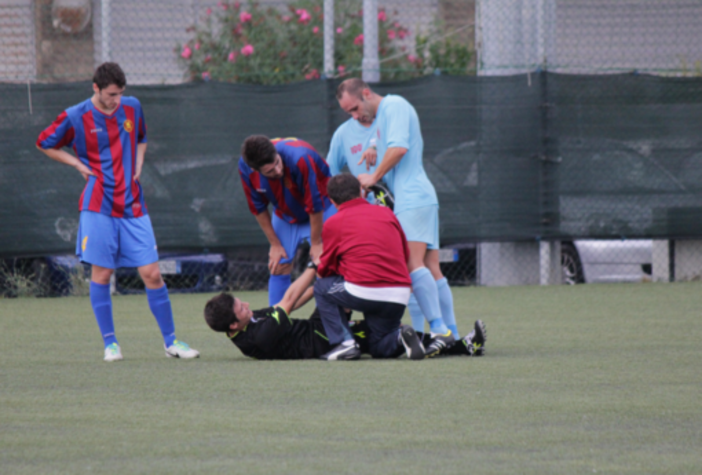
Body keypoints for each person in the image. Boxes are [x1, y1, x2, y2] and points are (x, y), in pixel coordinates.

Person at [36, 62, 199, 362]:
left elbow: (142, 137)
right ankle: (110, 344)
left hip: (133, 204)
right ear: (96, 89)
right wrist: (76, 164)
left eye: (121, 93)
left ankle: (171, 342)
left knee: (151, 273)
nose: (117, 100)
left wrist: (138, 163)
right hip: (97, 205)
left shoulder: (132, 107)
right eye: (111, 94)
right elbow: (44, 142)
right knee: (103, 272)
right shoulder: (76, 115)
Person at [335, 78, 460, 357]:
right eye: (349, 114)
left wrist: (373, 176)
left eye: (355, 108)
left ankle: (440, 330)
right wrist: (373, 146)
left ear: (366, 93)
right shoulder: (384, 115)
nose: (356, 116)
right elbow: (387, 142)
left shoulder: (394, 105)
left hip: (413, 198)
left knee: (411, 265)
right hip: (418, 198)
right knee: (430, 266)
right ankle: (453, 335)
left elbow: (400, 148)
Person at [204, 266, 435, 360]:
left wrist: (316, 287)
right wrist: (313, 265)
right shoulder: (256, 338)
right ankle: (426, 339)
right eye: (241, 308)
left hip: (317, 328)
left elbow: (288, 303)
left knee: (328, 286)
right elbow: (289, 300)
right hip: (324, 341)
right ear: (233, 325)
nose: (246, 304)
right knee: (376, 340)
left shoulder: (248, 320)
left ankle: (438, 341)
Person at [313, 173, 426, 361]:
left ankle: (345, 344)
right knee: (379, 347)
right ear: (361, 192)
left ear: (332, 201)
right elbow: (404, 253)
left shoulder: (333, 222)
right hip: (399, 293)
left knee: (322, 288)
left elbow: (326, 269)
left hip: (363, 290)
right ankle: (399, 338)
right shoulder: (386, 213)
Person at [238, 135, 336, 306]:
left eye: (277, 163)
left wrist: (316, 242)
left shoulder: (300, 158)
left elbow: (315, 204)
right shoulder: (245, 168)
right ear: (255, 169)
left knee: (325, 266)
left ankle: (328, 324)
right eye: (270, 171)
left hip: (323, 208)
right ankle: (276, 325)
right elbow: (258, 208)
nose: (277, 171)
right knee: (278, 265)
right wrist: (275, 244)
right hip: (286, 213)